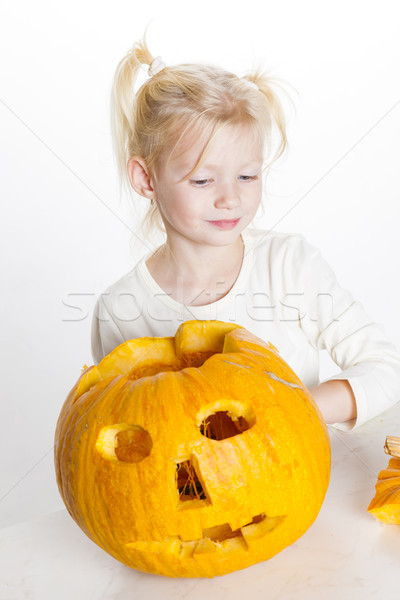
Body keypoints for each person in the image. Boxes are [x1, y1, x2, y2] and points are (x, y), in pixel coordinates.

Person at [91, 36, 400, 431]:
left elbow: (385, 370)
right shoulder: (120, 310)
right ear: (146, 178)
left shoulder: (291, 266)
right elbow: (127, 431)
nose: (230, 199)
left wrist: (289, 410)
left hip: (302, 481)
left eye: (247, 176)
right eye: (202, 180)